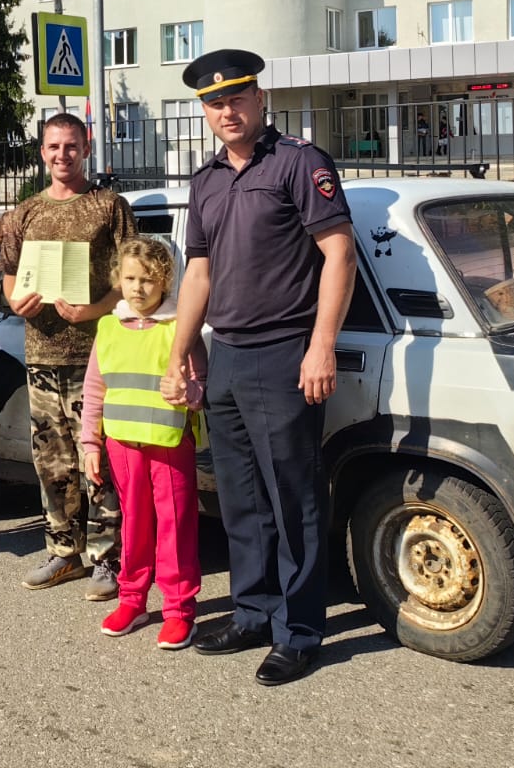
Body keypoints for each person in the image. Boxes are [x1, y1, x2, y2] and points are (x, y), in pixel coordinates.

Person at [166, 49, 356, 687]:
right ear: (205, 110)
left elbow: (338, 255)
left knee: (294, 497)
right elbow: (199, 273)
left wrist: (321, 344)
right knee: (242, 499)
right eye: (215, 103)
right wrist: (181, 352)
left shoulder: (300, 163)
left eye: (237, 98)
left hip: (285, 355)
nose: (227, 111)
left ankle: (299, 631)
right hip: (227, 355)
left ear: (259, 98)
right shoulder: (206, 180)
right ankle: (253, 612)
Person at [0, 113, 137, 599]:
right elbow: (10, 276)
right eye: (54, 146)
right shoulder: (24, 214)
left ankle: (107, 558)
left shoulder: (108, 207)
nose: (62, 155)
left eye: (71, 146)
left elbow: (134, 279)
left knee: (96, 460)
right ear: (42, 151)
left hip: (95, 355)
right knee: (52, 462)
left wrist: (94, 309)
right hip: (42, 355)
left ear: (86, 148)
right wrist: (16, 302)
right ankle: (63, 552)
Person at [80, 237, 207, 649]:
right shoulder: (108, 326)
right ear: (118, 278)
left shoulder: (180, 328)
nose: (138, 288)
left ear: (166, 281)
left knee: (175, 527)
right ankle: (132, 599)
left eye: (148, 280)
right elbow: (95, 389)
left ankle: (178, 609)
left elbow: (201, 383)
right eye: (130, 278)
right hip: (122, 444)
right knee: (133, 525)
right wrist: (90, 444)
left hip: (169, 442)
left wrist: (191, 393)